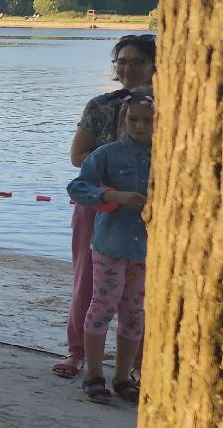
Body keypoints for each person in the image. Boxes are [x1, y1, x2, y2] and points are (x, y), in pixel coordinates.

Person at [56, 32, 156, 379]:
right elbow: (77, 157)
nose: (127, 68)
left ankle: (140, 363)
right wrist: (111, 186)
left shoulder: (171, 105)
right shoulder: (101, 105)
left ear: (155, 64)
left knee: (145, 289)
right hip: (98, 203)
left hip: (149, 209)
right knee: (89, 278)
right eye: (121, 61)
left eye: (137, 61)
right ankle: (77, 353)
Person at [65, 87, 152, 405]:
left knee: (134, 312)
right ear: (125, 120)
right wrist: (112, 196)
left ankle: (122, 375)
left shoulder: (166, 158)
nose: (140, 126)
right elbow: (78, 187)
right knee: (102, 305)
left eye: (147, 121)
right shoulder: (107, 154)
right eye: (134, 119)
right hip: (110, 244)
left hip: (145, 248)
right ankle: (94, 374)